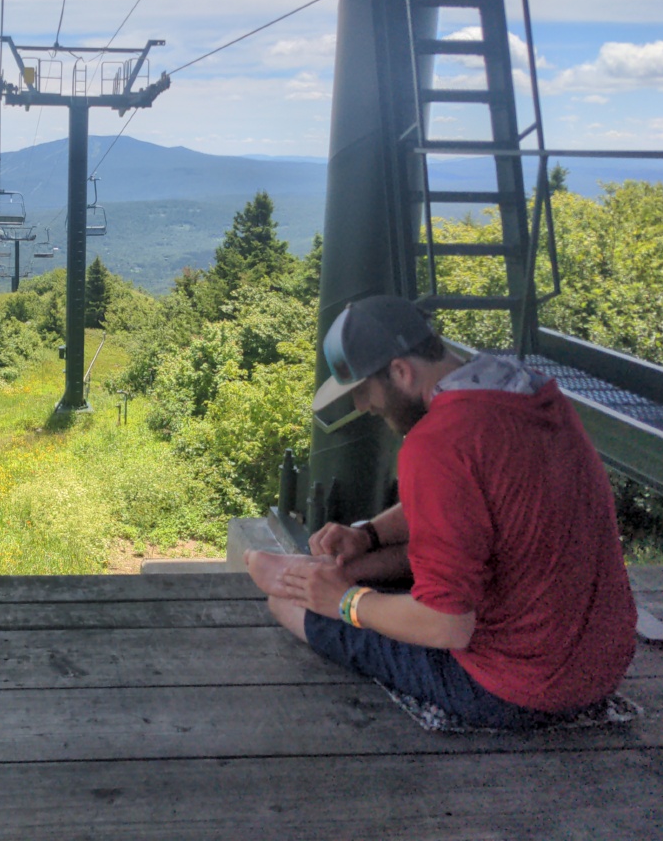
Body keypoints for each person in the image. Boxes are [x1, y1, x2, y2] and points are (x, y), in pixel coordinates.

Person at [245, 295, 636, 730]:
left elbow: (448, 626)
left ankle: (312, 582)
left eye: (361, 390)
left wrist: (345, 602)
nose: (361, 406)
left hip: (517, 688)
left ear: (400, 372)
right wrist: (369, 534)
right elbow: (465, 505)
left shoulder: (434, 444)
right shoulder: (532, 393)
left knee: (286, 605)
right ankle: (328, 572)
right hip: (601, 664)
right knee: (374, 565)